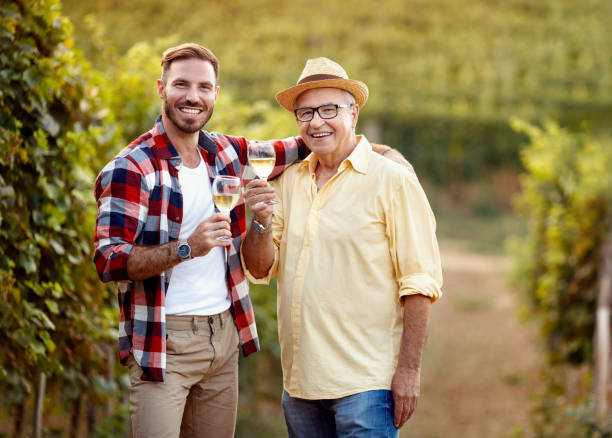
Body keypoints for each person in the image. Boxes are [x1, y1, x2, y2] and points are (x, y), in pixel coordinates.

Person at [93, 44, 402, 438]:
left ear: (215, 95)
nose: (193, 96)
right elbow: (108, 259)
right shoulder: (131, 167)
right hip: (163, 340)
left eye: (204, 87)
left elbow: (310, 141)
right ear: (161, 88)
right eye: (181, 85)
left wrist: (386, 155)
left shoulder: (226, 152)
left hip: (223, 339)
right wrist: (186, 248)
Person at [241, 57, 443, 438]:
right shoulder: (288, 181)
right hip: (299, 386)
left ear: (354, 113)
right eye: (305, 112)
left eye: (328, 109)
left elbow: (419, 284)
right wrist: (261, 220)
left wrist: (409, 372)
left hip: (366, 385)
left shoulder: (393, 181)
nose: (316, 122)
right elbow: (259, 268)